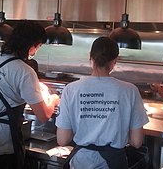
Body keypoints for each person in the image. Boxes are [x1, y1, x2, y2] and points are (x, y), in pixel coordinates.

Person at [55, 36, 149, 169]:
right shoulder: (130, 91)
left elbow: (62, 140)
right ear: (115, 60)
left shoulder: (71, 89)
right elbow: (137, 142)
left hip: (81, 162)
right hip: (115, 162)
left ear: (90, 56)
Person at [0, 20, 60, 169]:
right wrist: (54, 100)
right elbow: (43, 116)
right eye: (38, 47)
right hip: (3, 146)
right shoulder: (24, 71)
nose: (36, 51)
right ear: (30, 45)